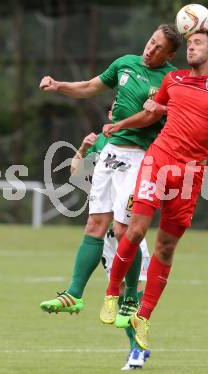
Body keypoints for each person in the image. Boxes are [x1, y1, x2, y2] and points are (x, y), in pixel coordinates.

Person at [39, 24, 181, 365]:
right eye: (150, 42)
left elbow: (164, 118)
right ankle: (74, 294)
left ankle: (131, 298)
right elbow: (89, 86)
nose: (150, 50)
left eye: (159, 47)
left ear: (169, 55)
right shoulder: (125, 63)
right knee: (95, 227)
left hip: (139, 161)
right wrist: (59, 86)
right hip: (110, 156)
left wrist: (157, 111)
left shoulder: (171, 81)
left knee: (123, 232)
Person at [99, 30, 208, 350]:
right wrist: (126, 121)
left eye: (198, 44)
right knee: (134, 231)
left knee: (165, 249)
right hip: (158, 161)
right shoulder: (173, 79)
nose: (191, 47)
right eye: (189, 44)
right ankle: (112, 294)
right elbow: (153, 111)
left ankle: (143, 318)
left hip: (190, 174)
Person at [71, 132, 151, 370]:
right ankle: (135, 346)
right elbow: (76, 174)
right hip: (106, 239)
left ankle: (137, 349)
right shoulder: (102, 142)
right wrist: (82, 149)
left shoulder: (141, 141)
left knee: (133, 294)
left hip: (128, 232)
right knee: (119, 296)